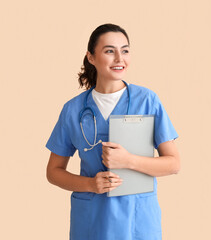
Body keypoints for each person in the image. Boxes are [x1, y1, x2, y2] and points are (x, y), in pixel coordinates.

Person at [46, 23, 180, 240]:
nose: (120, 58)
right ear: (91, 57)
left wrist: (128, 161)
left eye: (125, 50)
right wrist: (90, 184)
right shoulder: (73, 109)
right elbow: (53, 171)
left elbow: (174, 164)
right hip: (91, 221)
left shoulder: (147, 101)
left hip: (138, 221)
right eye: (110, 51)